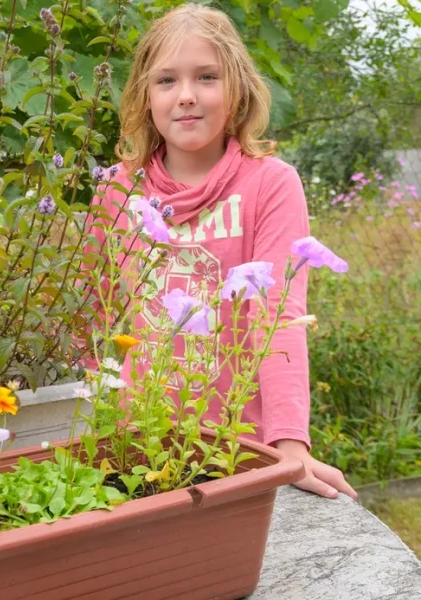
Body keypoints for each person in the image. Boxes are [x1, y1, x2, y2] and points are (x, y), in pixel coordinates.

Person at [91, 3, 357, 500]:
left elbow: (278, 316)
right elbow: (92, 314)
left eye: (207, 77)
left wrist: (290, 445)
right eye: (166, 80)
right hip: (134, 447)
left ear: (236, 89)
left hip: (238, 453)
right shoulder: (118, 189)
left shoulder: (269, 183)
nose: (187, 96)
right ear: (144, 96)